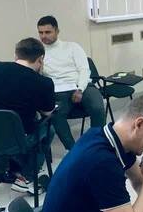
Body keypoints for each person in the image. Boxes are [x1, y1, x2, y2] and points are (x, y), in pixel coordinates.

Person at [0, 38, 55, 193]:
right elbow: (47, 112)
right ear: (40, 59)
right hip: (16, 140)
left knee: (19, 129)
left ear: (16, 55)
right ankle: (28, 176)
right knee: (48, 129)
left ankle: (23, 173)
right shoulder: (43, 82)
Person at [37, 15, 106, 150]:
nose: (44, 36)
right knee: (55, 114)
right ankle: (74, 150)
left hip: (81, 85)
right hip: (57, 90)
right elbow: (37, 78)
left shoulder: (72, 47)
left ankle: (97, 144)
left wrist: (80, 89)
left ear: (57, 31)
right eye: (41, 32)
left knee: (98, 107)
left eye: (48, 32)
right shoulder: (38, 53)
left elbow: (84, 70)